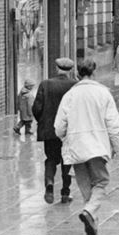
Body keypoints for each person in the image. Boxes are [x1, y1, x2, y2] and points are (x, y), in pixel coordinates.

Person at [55, 59, 119, 235]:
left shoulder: (69, 95)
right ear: (94, 73)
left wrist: (66, 138)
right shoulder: (103, 93)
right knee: (101, 182)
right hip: (97, 146)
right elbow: (113, 124)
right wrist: (116, 145)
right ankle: (90, 211)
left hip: (76, 146)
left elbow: (59, 126)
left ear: (78, 74)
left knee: (85, 184)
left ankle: (92, 218)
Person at [32, 58, 77, 204]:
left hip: (50, 130)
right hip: (68, 132)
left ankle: (50, 183)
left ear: (56, 69)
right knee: (67, 161)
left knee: (51, 159)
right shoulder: (75, 85)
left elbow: (37, 108)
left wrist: (43, 122)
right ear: (70, 70)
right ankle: (65, 192)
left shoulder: (45, 84)